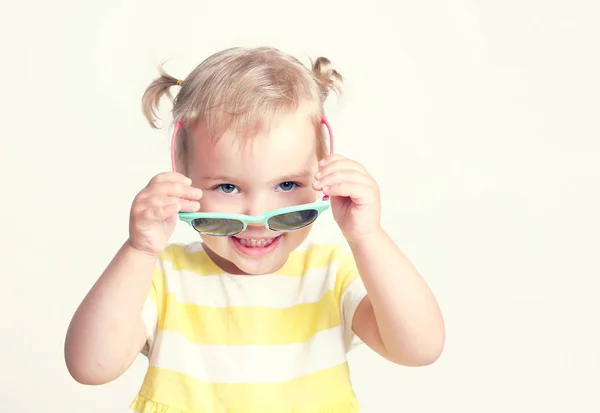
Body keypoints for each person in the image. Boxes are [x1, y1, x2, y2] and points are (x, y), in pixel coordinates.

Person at [64, 46, 445, 413]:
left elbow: (420, 348)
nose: (259, 215)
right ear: (183, 179)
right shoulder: (161, 278)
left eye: (286, 185)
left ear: (321, 175)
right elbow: (91, 367)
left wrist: (368, 237)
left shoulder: (331, 275)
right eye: (228, 187)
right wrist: (139, 250)